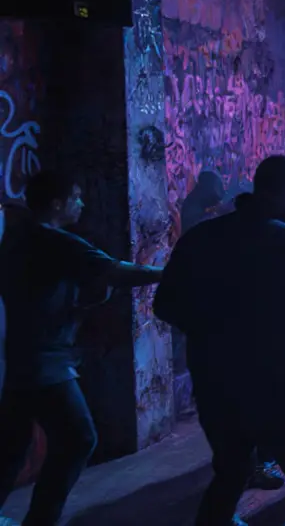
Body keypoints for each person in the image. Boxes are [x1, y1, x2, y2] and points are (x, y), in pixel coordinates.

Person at [156, 156, 285, 526]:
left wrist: (211, 332)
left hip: (214, 378)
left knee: (232, 471)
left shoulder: (201, 235)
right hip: (274, 380)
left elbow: (164, 305)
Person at [0, 172, 164, 526]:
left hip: (22, 356)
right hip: (45, 361)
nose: (82, 203)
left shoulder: (18, 237)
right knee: (78, 438)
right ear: (57, 204)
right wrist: (168, 273)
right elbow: (116, 271)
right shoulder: (54, 240)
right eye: (76, 196)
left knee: (11, 448)